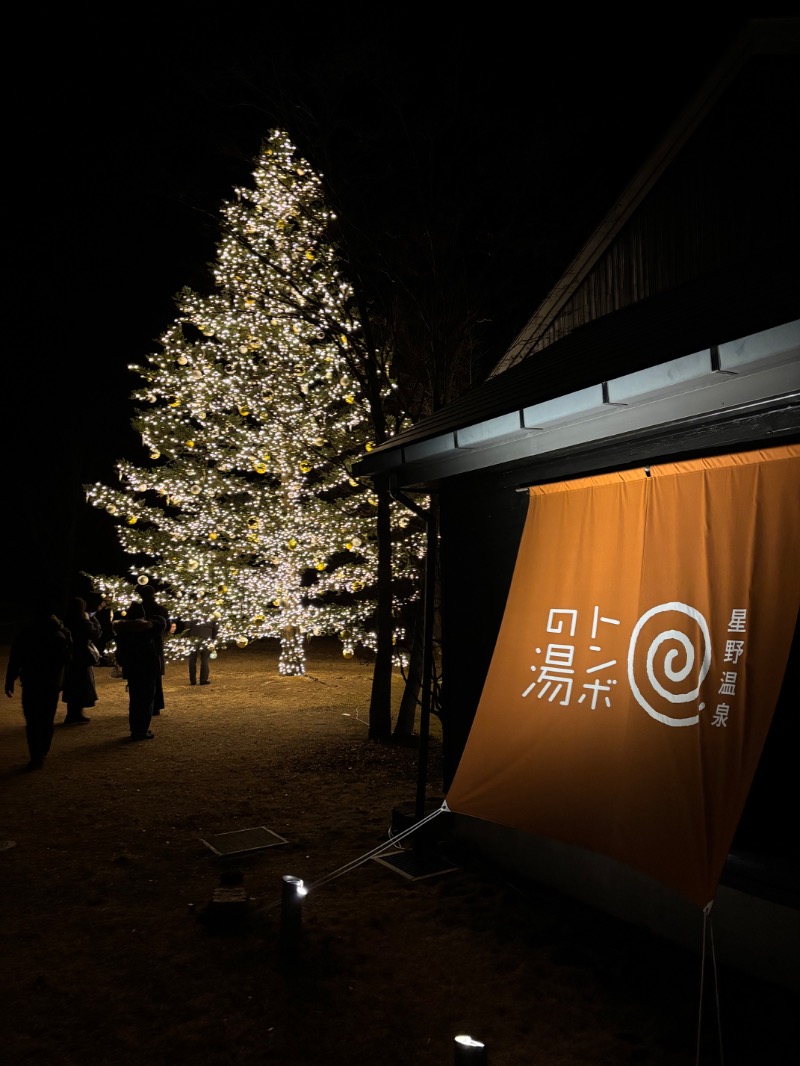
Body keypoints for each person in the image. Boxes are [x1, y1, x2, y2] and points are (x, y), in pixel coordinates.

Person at [5, 600, 73, 770]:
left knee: (32, 719)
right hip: (51, 681)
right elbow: (67, 658)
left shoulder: (27, 631)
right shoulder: (59, 633)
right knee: (46, 717)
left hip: (31, 680)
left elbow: (16, 657)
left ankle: (36, 753)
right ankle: (42, 750)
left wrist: (10, 679)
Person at [112, 601, 166, 741]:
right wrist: (145, 621)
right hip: (147, 668)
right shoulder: (146, 631)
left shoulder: (122, 632)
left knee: (135, 699)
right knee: (146, 699)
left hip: (132, 668)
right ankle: (141, 730)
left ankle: (136, 729)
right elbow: (161, 623)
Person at [61, 596, 102, 724]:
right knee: (82, 685)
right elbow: (96, 633)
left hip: (71, 656)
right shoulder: (82, 621)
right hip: (82, 656)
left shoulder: (66, 620)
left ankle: (72, 713)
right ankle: (76, 714)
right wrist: (91, 619)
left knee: (72, 684)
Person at [138, 584, 173, 716]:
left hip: (139, 645)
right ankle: (155, 705)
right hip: (155, 645)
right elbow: (166, 625)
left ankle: (142, 705)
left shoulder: (138, 608)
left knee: (141, 677)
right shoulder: (160, 609)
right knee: (155, 676)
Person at [180, 610, 219, 686]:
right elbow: (215, 628)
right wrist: (213, 639)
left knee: (192, 659)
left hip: (193, 639)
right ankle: (203, 679)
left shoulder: (192, 614)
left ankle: (193, 680)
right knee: (204, 660)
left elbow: (187, 627)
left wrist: (186, 638)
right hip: (206, 639)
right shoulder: (212, 615)